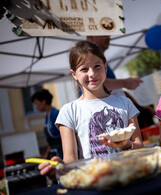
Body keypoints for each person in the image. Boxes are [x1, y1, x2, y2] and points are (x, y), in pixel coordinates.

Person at [38, 40, 143, 178]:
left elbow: (140, 147)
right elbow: (70, 159)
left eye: (97, 66)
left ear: (105, 67)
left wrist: (127, 145)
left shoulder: (125, 103)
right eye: (84, 69)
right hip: (94, 180)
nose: (92, 73)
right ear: (74, 74)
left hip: (131, 175)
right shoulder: (69, 111)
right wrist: (60, 166)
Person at [31, 89, 63, 159]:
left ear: (44, 101)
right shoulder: (47, 117)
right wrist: (46, 155)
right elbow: (50, 141)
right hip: (54, 153)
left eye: (36, 103)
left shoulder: (55, 114)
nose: (36, 107)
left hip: (62, 153)